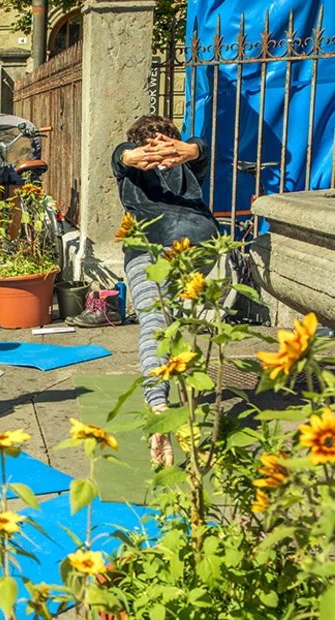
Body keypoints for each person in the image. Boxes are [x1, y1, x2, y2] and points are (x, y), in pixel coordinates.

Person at [112, 115, 219, 466]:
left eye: (167, 140)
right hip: (150, 252)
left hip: (193, 249)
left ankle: (160, 399)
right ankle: (159, 403)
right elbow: (121, 155)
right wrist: (135, 155)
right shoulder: (132, 166)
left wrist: (187, 150)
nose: (160, 148)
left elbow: (201, 149)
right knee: (160, 324)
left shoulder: (188, 164)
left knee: (161, 323)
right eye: (151, 142)